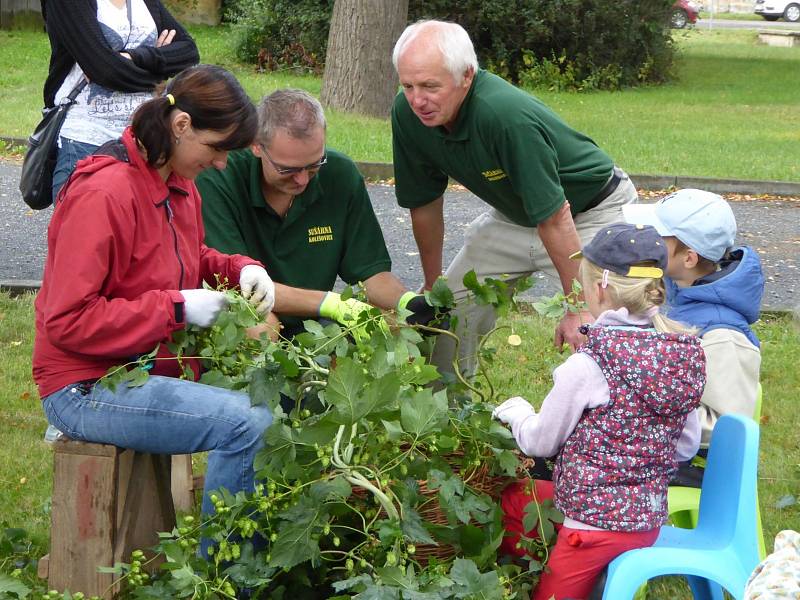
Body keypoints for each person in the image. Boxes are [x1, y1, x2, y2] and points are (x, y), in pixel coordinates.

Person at [33, 65, 285, 535]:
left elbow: (184, 254)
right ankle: (228, 582)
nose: (222, 164)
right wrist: (176, 308)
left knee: (278, 392)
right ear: (182, 125)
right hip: (85, 387)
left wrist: (238, 267)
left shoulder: (177, 180)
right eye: (217, 148)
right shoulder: (103, 193)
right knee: (245, 423)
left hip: (143, 367)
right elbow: (65, 320)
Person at [390, 20, 639, 376]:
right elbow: (424, 204)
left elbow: (554, 217)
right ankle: (444, 417)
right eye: (408, 85)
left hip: (593, 210)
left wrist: (577, 306)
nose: (417, 100)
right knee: (447, 313)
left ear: (467, 76)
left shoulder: (503, 116)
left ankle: (618, 424)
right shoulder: (407, 114)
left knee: (606, 325)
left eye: (430, 86)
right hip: (515, 216)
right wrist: (433, 286)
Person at [492, 223, 706, 600]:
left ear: (600, 289)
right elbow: (686, 447)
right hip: (647, 520)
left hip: (589, 528)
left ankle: (544, 574)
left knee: (516, 512)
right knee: (527, 497)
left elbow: (540, 442)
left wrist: (517, 412)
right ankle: (595, 578)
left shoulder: (590, 363)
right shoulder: (684, 356)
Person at [197, 88, 444, 339]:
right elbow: (239, 286)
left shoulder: (341, 175)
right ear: (256, 147)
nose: (302, 179)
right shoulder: (219, 177)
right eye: (288, 169)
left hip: (315, 322)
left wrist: (408, 304)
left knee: (400, 327)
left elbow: (370, 273)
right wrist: (334, 304)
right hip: (245, 307)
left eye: (315, 164)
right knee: (262, 330)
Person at [623, 189, 764, 487]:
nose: (647, 240)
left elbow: (728, 425)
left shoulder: (723, 334)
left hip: (695, 467)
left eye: (658, 236)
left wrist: (643, 407)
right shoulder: (676, 293)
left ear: (688, 258)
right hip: (654, 443)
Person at [41, 0, 199, 201]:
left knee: (145, 229)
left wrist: (133, 57)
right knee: (87, 227)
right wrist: (157, 76)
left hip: (144, 141)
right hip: (86, 140)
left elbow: (189, 52)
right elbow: (106, 70)